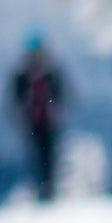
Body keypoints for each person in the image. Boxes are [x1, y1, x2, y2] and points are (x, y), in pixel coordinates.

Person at [10, 32, 66, 202]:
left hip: (47, 122)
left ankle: (48, 190)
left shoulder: (49, 73)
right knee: (37, 156)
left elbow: (61, 94)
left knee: (48, 156)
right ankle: (41, 189)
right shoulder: (24, 75)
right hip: (33, 123)